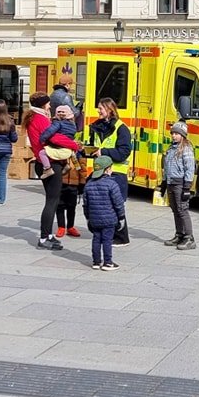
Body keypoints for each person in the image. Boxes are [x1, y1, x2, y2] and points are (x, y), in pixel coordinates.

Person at [24, 92, 80, 250]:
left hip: (43, 160)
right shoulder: (40, 118)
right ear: (43, 104)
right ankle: (43, 238)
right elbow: (53, 138)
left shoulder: (34, 117)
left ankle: (48, 235)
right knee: (52, 201)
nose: (50, 106)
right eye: (48, 103)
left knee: (53, 199)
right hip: (50, 161)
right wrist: (73, 144)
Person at [85, 97, 133, 245]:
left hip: (116, 172)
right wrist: (85, 150)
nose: (98, 111)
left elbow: (124, 152)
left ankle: (121, 237)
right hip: (100, 171)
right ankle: (106, 233)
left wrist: (103, 151)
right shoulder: (96, 127)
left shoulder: (121, 128)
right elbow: (94, 146)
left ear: (110, 110)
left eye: (101, 108)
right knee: (101, 204)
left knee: (115, 204)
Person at [82, 156, 125, 271]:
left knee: (96, 239)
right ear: (107, 170)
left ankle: (96, 262)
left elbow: (85, 204)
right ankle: (108, 262)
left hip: (94, 219)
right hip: (109, 219)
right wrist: (121, 216)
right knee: (107, 240)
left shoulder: (89, 185)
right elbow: (118, 203)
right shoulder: (112, 184)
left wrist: (88, 217)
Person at [161, 121, 196, 250]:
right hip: (171, 182)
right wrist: (164, 183)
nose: (174, 136)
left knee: (182, 210)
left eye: (176, 134)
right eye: (173, 133)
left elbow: (189, 168)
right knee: (175, 210)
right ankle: (179, 234)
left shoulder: (186, 149)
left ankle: (189, 237)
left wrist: (187, 187)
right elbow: (166, 167)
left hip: (180, 183)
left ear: (183, 135)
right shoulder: (171, 149)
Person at [36, 104, 78, 179]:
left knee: (42, 153)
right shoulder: (73, 125)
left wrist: (42, 139)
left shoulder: (58, 123)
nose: (61, 113)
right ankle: (66, 164)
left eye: (62, 112)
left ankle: (47, 169)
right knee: (62, 152)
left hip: (59, 146)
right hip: (68, 148)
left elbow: (49, 131)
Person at [56, 154, 87, 238]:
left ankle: (70, 227)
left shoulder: (78, 154)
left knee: (72, 207)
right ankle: (61, 227)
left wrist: (82, 183)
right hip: (61, 182)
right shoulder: (61, 152)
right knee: (59, 206)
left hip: (74, 183)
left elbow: (82, 169)